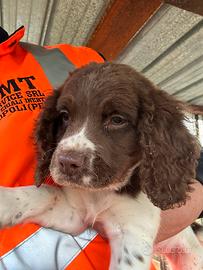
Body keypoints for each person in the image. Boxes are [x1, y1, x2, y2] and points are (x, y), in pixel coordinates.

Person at [0, 26, 202, 270]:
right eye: (65, 117)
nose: (69, 153)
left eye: (116, 120)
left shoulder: (77, 59)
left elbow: (169, 136)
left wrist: (193, 189)